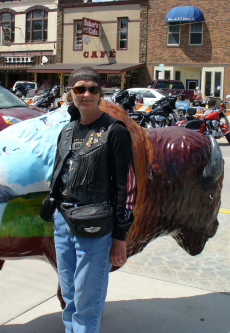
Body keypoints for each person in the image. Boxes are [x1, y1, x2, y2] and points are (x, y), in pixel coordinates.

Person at [47, 66, 136, 333]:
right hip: (63, 221)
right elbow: (59, 174)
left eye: (92, 89)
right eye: (79, 89)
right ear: (70, 94)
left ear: (100, 93)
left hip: (95, 225)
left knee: (88, 300)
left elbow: (126, 188)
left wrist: (120, 237)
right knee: (70, 294)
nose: (86, 94)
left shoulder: (115, 131)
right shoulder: (67, 131)